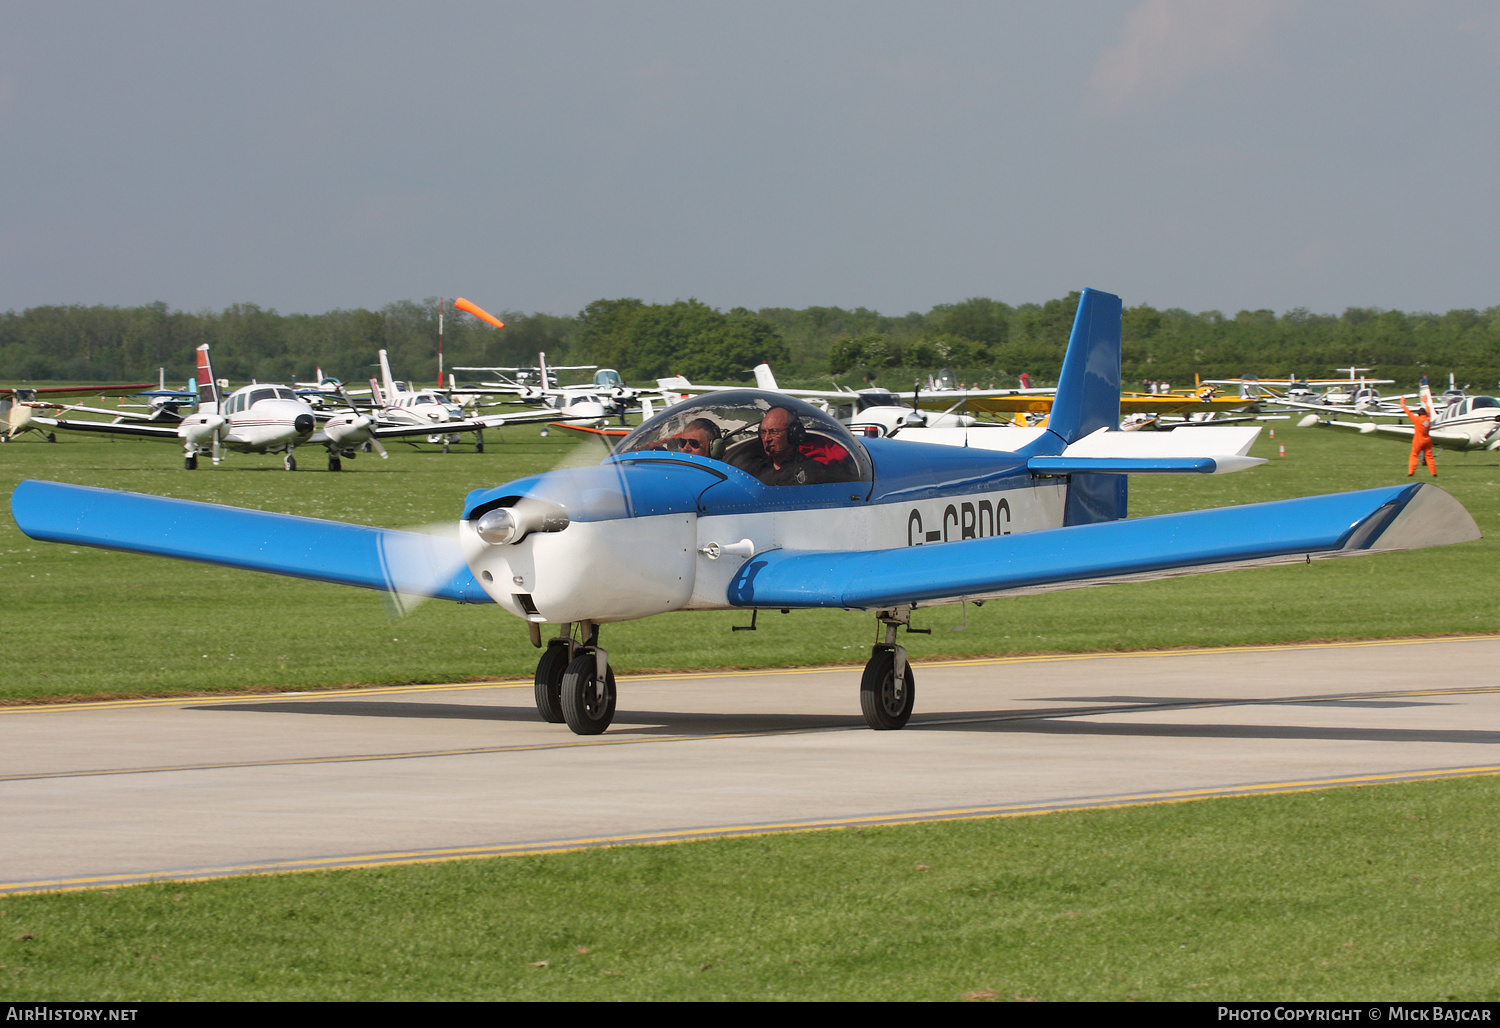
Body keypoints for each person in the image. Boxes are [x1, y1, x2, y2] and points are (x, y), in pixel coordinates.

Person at [736, 406, 828, 486]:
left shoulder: (810, 471)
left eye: (774, 432)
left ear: (793, 433)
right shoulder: (753, 471)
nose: (767, 439)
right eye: (763, 432)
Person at [1400, 398, 1436, 476]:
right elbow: (1428, 411)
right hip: (1428, 440)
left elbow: (1409, 413)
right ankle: (1433, 473)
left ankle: (1411, 472)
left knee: (1414, 455)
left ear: (1419, 414)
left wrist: (1403, 404)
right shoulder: (1428, 419)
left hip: (1419, 440)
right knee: (1429, 456)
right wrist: (1426, 402)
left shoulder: (1417, 419)